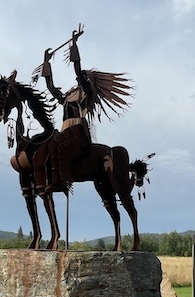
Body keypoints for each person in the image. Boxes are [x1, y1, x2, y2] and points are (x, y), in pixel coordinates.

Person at [38, 25, 132, 193]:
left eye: (84, 77)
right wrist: (46, 64)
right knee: (46, 148)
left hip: (78, 131)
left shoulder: (87, 92)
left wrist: (74, 46)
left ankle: (60, 182)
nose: (79, 77)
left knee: (54, 145)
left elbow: (79, 72)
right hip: (66, 130)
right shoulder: (68, 97)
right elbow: (52, 88)